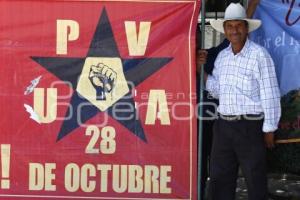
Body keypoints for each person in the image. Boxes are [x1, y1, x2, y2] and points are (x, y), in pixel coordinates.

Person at [198, 2, 281, 200]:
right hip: (224, 126)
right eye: (230, 26)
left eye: (238, 26)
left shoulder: (259, 55)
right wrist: (200, 71)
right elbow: (217, 91)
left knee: (255, 179)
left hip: (250, 126)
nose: (234, 30)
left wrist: (269, 128)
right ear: (225, 30)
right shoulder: (222, 58)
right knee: (219, 179)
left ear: (246, 28)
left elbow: (270, 92)